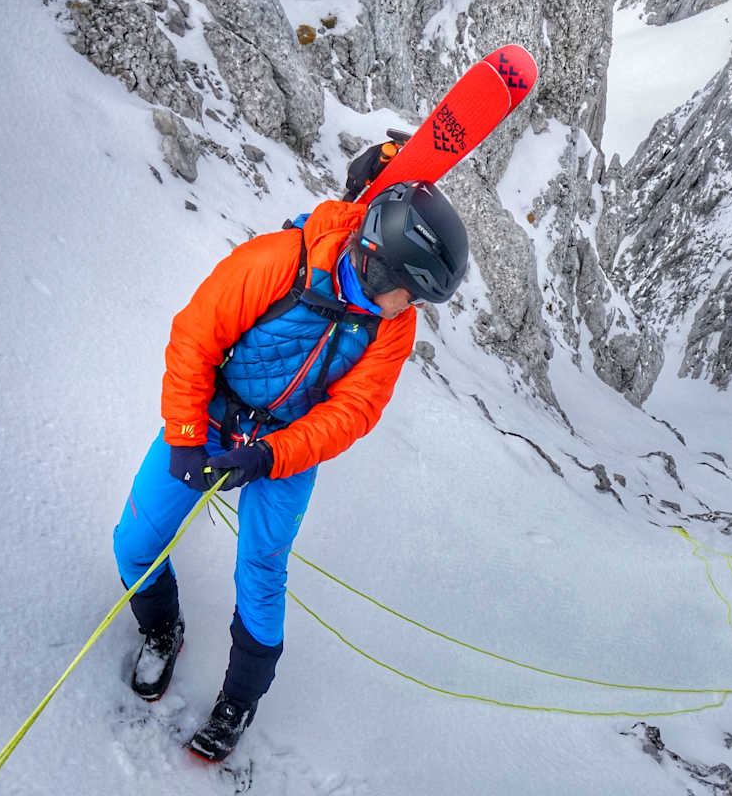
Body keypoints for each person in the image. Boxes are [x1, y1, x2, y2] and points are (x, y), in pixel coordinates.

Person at [111, 176, 468, 762]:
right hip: (211, 414)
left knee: (261, 570)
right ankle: (162, 630)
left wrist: (268, 456)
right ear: (380, 267)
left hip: (285, 446)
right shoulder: (279, 262)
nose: (417, 308)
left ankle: (239, 701)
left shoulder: (392, 327)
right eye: (413, 292)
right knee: (135, 543)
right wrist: (184, 439)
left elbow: (353, 412)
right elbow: (195, 338)